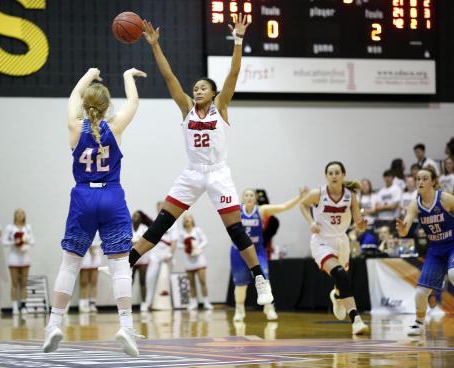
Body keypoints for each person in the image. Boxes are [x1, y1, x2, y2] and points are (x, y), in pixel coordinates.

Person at [128, 15, 273, 306]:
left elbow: (233, 73)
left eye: (202, 88)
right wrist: (155, 46)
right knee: (160, 224)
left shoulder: (221, 107)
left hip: (218, 174)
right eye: (195, 88)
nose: (197, 90)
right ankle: (125, 264)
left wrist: (239, 40)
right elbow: (169, 77)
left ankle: (259, 277)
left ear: (214, 93)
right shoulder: (186, 108)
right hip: (192, 174)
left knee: (235, 229)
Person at [42, 67, 146, 357]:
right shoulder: (115, 127)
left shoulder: (76, 127)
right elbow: (134, 103)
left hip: (83, 195)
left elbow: (73, 96)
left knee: (70, 263)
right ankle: (125, 325)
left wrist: (89, 74)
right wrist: (127, 76)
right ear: (106, 106)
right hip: (111, 195)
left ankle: (54, 325)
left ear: (86, 105)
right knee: (119, 264)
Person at [299, 161, 369, 335]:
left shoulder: (350, 195)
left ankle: (338, 296)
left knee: (342, 279)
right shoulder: (319, 193)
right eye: (330, 173)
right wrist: (311, 222)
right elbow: (302, 204)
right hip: (321, 241)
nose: (334, 176)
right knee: (339, 274)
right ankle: (356, 320)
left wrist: (361, 226)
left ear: (343, 175)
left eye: (337, 172)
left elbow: (358, 221)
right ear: (326, 176)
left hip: (341, 241)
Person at [396, 167, 454, 336]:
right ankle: (419, 322)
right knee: (421, 293)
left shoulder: (445, 199)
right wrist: (402, 229)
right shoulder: (415, 205)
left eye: (425, 178)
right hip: (435, 249)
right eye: (418, 178)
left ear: (433, 181)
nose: (420, 182)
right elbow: (404, 231)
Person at [232, 188, 306, 322]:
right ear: (243, 198)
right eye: (246, 195)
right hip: (239, 251)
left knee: (264, 279)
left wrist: (299, 197)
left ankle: (269, 307)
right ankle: (239, 309)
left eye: (251, 195)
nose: (249, 197)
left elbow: (283, 207)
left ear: (255, 199)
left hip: (257, 250)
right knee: (240, 284)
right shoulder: (237, 210)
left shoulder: (261, 210)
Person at [140, 201, 179, 312]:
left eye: (163, 207)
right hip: (155, 255)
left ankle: (172, 303)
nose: (161, 209)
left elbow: (174, 240)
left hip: (167, 255)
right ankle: (148, 303)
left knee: (168, 280)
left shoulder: (173, 222)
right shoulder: (153, 222)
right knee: (150, 278)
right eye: (159, 208)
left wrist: (171, 253)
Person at [2, 208, 35, 315]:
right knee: (15, 282)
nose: (20, 215)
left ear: (24, 215)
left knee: (24, 282)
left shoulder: (27, 227)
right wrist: (14, 241)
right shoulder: (10, 228)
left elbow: (32, 241)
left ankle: (24, 305)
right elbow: (4, 242)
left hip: (25, 257)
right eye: (18, 213)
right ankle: (15, 307)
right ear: (14, 215)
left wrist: (26, 240)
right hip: (14, 258)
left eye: (22, 213)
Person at [178, 213, 213, 311]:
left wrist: (198, 247)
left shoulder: (197, 230)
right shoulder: (182, 233)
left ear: (192, 219)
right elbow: (178, 244)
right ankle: (193, 302)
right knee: (191, 282)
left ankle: (206, 302)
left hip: (199, 259)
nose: (187, 219)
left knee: (202, 281)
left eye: (188, 217)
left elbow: (205, 240)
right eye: (185, 218)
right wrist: (185, 247)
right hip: (189, 260)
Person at [131, 210, 152, 312]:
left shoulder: (144, 228)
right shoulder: (128, 227)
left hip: (143, 258)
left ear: (141, 218)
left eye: (137, 215)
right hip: (131, 259)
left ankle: (144, 303)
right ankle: (127, 304)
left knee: (142, 281)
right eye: (134, 215)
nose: (135, 216)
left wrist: (138, 242)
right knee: (130, 282)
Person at [79, 232, 102, 313]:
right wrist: (89, 247)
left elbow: (102, 240)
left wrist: (94, 247)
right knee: (84, 282)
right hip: (85, 256)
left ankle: (92, 303)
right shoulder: (84, 227)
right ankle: (83, 303)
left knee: (94, 282)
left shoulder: (99, 229)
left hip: (96, 256)